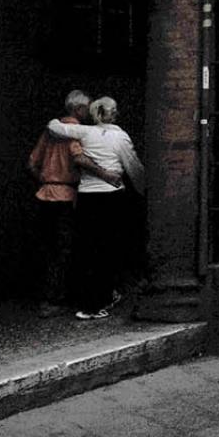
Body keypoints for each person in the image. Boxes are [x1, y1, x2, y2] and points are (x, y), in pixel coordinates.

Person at [46, 96, 145, 320]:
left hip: (87, 197)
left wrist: (64, 121)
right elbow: (134, 167)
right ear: (113, 114)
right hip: (111, 197)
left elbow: (53, 127)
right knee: (108, 250)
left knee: (87, 249)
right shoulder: (120, 137)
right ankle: (101, 300)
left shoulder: (85, 132)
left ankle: (86, 303)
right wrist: (144, 191)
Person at [27, 89, 119, 318]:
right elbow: (78, 158)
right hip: (66, 197)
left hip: (44, 194)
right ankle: (56, 300)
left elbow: (31, 163)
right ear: (78, 110)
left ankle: (47, 297)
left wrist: (48, 179)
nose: (90, 113)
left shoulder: (49, 133)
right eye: (87, 109)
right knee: (66, 250)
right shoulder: (74, 132)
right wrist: (105, 174)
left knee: (48, 249)